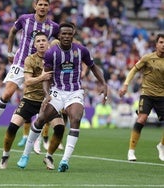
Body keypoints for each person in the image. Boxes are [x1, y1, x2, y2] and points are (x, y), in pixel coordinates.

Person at [17, 22, 108, 172]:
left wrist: (103, 83)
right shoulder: (51, 52)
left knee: (76, 119)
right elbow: (46, 76)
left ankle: (65, 160)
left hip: (75, 92)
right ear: (59, 35)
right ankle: (25, 155)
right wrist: (47, 95)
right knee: (40, 119)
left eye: (69, 34)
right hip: (57, 92)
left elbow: (93, 67)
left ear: (73, 35)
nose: (66, 36)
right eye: (63, 34)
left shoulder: (81, 50)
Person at [0, 0, 59, 142]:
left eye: (45, 5)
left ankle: (36, 137)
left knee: (40, 99)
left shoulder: (53, 26)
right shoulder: (24, 19)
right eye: (40, 4)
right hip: (21, 62)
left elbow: (59, 43)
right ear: (35, 6)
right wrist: (10, 52)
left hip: (39, 67)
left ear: (49, 8)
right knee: (7, 93)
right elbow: (12, 32)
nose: (42, 7)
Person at [0, 32, 65, 170]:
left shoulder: (55, 59)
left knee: (60, 128)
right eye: (38, 41)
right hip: (30, 99)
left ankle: (49, 157)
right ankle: (5, 155)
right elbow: (28, 81)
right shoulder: (30, 59)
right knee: (12, 127)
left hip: (49, 101)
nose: (41, 43)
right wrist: (42, 77)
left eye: (43, 40)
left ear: (48, 43)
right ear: (34, 45)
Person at [119, 33, 164, 162]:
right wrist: (125, 85)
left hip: (162, 96)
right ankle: (131, 151)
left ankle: (161, 146)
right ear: (156, 44)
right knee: (142, 118)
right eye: (161, 42)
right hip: (147, 94)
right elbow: (133, 70)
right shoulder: (148, 58)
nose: (163, 45)